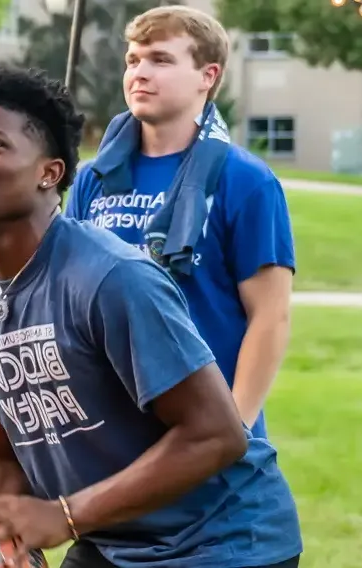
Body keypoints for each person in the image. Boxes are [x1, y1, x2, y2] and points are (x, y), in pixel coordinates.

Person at [0, 64, 302, 567]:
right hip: (112, 541)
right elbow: (7, 457)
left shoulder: (111, 278)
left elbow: (217, 433)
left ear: (50, 173)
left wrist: (64, 517)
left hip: (220, 542)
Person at [64, 5, 294, 440]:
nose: (139, 72)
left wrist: (234, 429)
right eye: (133, 60)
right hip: (107, 432)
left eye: (161, 60)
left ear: (208, 75)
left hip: (205, 431)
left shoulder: (246, 180)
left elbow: (270, 316)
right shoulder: (92, 181)